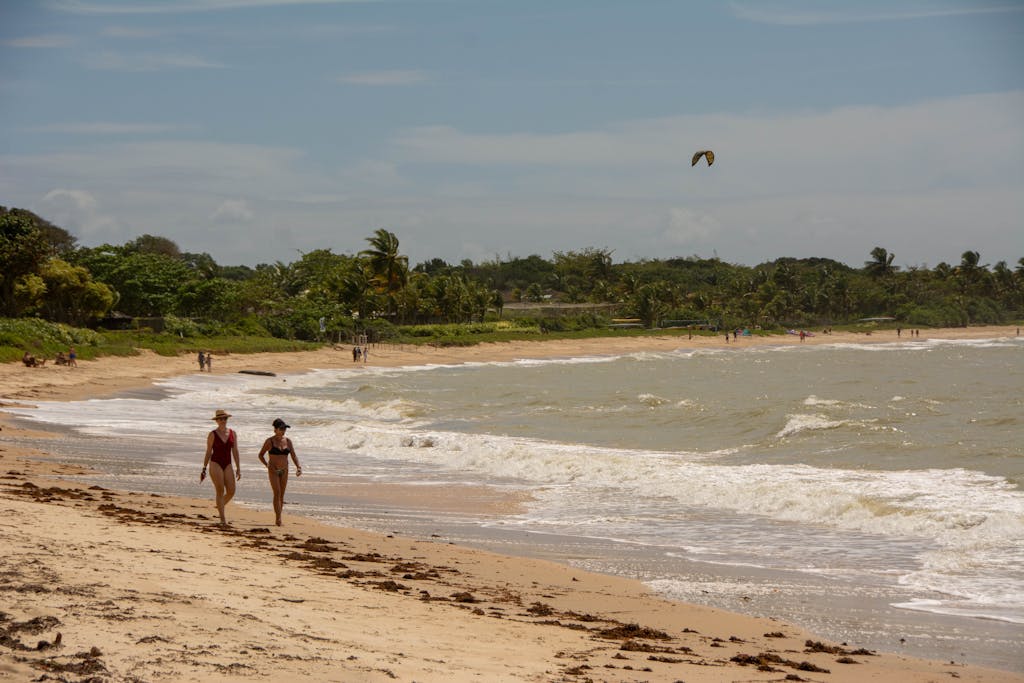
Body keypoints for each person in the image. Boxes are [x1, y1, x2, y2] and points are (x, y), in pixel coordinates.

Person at [257, 418, 301, 526]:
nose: (283, 431)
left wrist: (298, 467)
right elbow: (260, 455)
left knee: (282, 495)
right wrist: (267, 465)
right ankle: (278, 518)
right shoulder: (270, 441)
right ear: (275, 430)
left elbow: (293, 455)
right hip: (273, 470)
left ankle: (279, 516)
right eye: (281, 428)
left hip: (285, 470)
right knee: (277, 493)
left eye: (285, 429)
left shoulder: (288, 441)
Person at [201, 409, 241, 525]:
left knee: (231, 491)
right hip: (215, 463)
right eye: (221, 419)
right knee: (220, 490)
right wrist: (204, 467)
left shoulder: (233, 433)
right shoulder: (212, 434)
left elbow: (235, 451)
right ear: (217, 421)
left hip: (228, 464)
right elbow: (208, 451)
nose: (223, 421)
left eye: (225, 418)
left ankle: (220, 504)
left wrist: (238, 467)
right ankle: (222, 519)